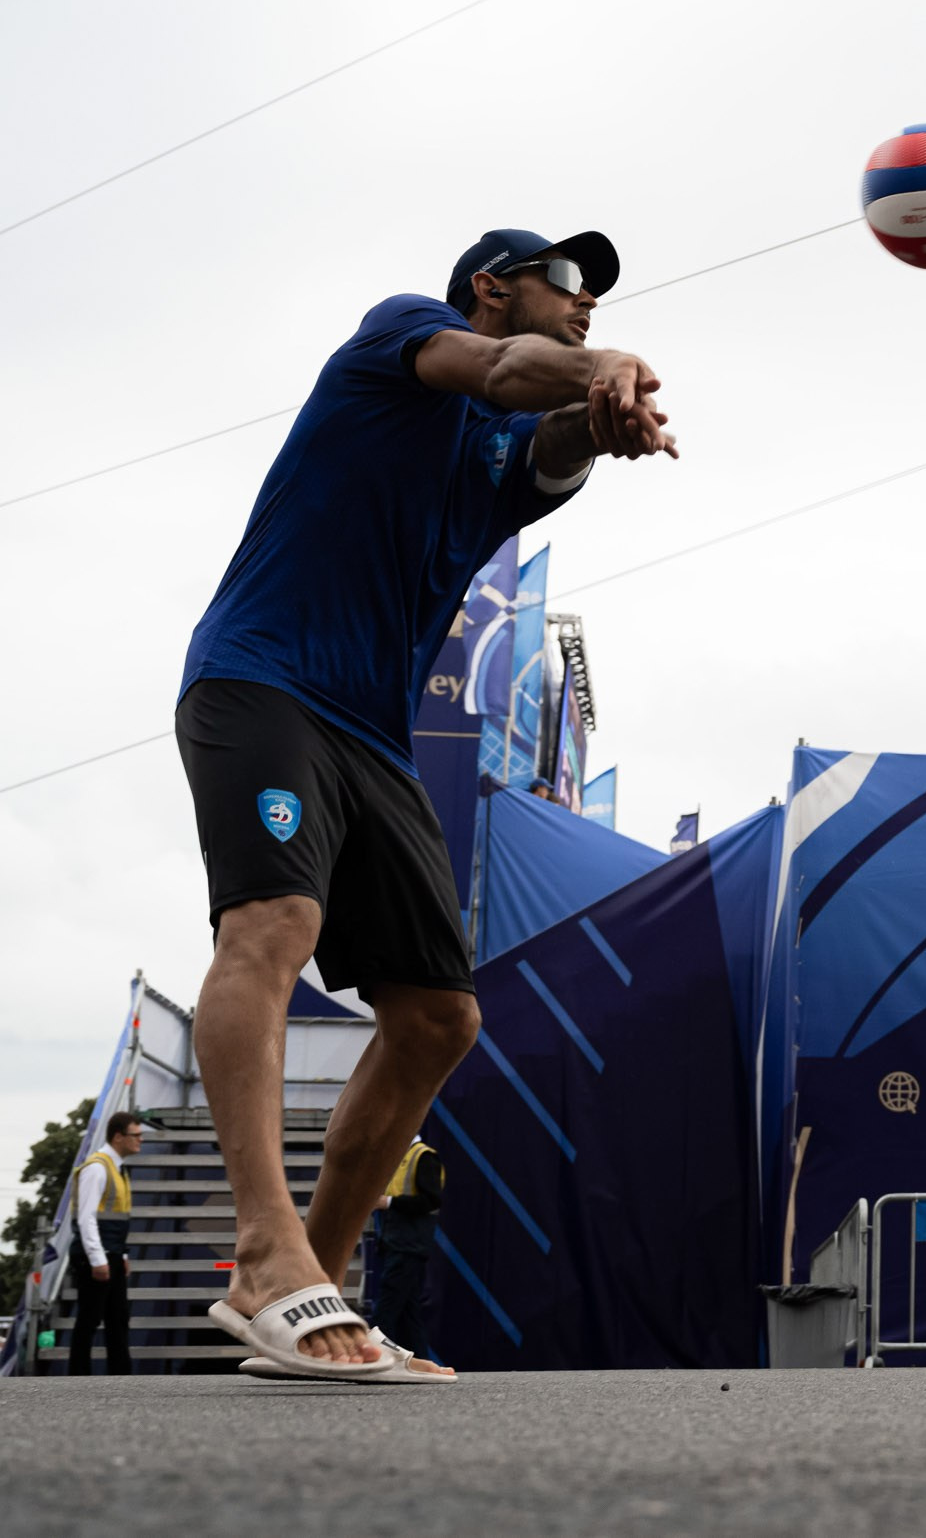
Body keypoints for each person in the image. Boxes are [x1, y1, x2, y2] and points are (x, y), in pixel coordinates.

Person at [176, 228, 677, 1381]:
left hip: (372, 735)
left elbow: (548, 433)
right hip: (262, 680)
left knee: (440, 1017)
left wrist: (601, 412)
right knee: (273, 923)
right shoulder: (404, 334)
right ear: (490, 287)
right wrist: (606, 367)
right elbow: (501, 370)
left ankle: (310, 1288)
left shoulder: (499, 455)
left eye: (598, 296)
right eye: (565, 279)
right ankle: (264, 1256)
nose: (586, 301)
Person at [68, 1112, 144, 1375]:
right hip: (95, 1255)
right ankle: (77, 1378)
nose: (141, 1140)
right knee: (89, 1319)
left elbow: (115, 1219)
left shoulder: (118, 1168)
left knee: (118, 1318)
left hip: (111, 1252)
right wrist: (98, 1260)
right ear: (118, 1137)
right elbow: (86, 1218)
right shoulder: (97, 1167)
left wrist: (122, 1256)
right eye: (136, 1135)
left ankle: (120, 1377)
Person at [367, 1135, 444, 1361]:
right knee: (409, 1315)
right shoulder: (402, 1157)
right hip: (397, 1243)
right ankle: (420, 1361)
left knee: (387, 1308)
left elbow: (431, 1201)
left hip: (408, 1244)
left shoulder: (424, 1157)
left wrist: (389, 1202)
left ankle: (374, 1356)